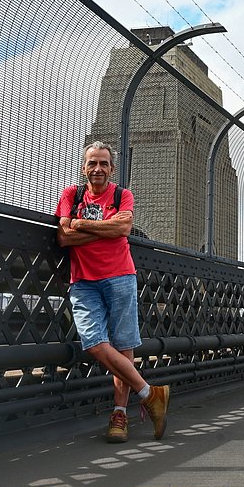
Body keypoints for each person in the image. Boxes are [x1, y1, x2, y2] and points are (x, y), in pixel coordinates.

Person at [56, 141, 169, 443]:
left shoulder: (122, 195)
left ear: (112, 168)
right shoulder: (72, 194)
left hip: (120, 276)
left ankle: (119, 415)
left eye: (104, 164)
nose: (98, 169)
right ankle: (149, 392)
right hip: (83, 280)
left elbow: (122, 231)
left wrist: (81, 223)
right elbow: (64, 238)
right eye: (92, 163)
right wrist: (105, 226)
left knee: (122, 346)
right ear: (84, 167)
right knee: (93, 342)